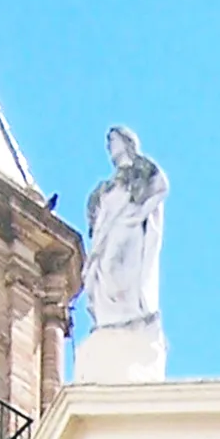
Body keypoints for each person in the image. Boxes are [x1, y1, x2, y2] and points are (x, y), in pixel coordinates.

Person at [85, 128, 168, 331]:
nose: (110, 146)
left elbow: (161, 187)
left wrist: (140, 213)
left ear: (126, 142)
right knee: (103, 272)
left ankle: (128, 313)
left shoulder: (141, 169)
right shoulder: (106, 185)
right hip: (106, 231)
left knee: (117, 266)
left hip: (127, 226)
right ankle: (110, 318)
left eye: (113, 141)